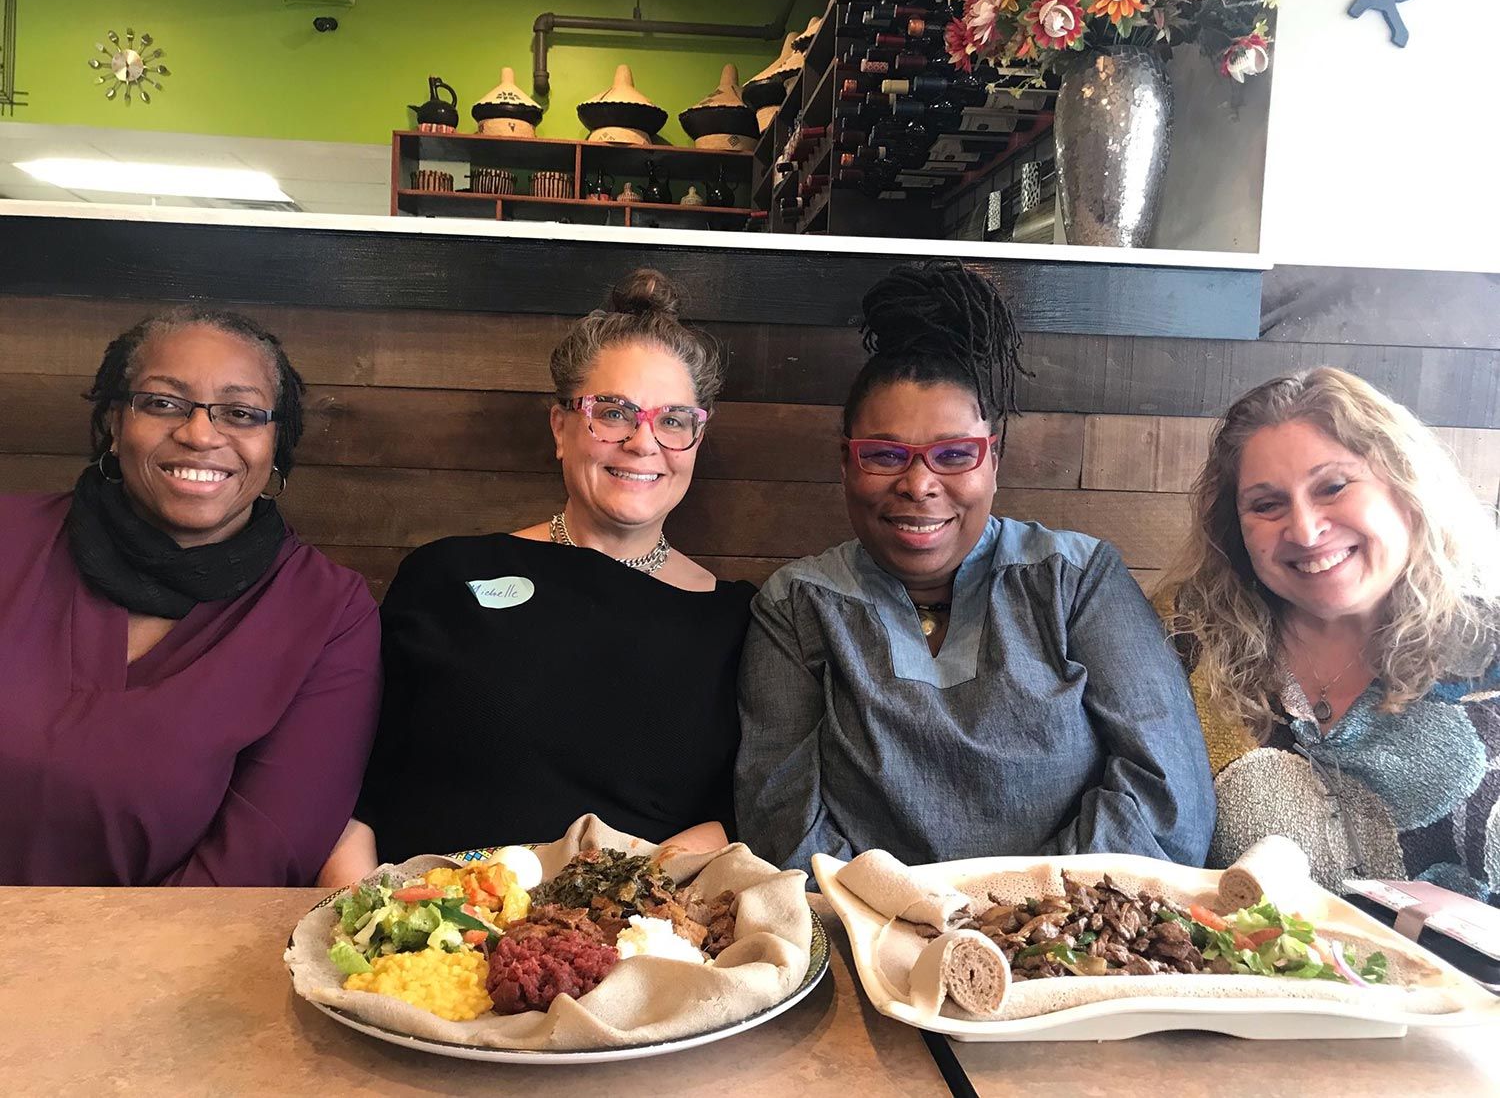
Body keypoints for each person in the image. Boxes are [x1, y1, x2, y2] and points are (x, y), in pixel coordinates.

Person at [734, 261, 1214, 876]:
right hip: (868, 939)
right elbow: (781, 824)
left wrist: (1014, 918)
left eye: (955, 454)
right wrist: (905, 926)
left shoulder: (1077, 580)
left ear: (994, 461)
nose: (919, 485)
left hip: (1071, 945)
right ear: (846, 465)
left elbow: (1168, 799)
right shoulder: (796, 607)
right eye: (883, 454)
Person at [330, 269, 754, 883]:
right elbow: (350, 786)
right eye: (613, 412)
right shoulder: (446, 574)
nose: (643, 442)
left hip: (631, 942)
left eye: (673, 420)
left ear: (697, 437)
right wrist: (358, 924)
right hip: (425, 930)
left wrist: (607, 910)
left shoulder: (737, 618)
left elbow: (737, 815)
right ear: (560, 429)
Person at [0, 310, 381, 886]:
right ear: (113, 422)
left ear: (276, 443)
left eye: (242, 413)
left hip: (159, 965)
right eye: (162, 403)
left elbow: (258, 855)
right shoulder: (10, 539)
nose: (200, 434)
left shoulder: (327, 612)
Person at [1160, 367, 1500, 902]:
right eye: (1267, 504)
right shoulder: (1184, 647)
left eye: (1334, 487)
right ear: (1235, 528)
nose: (1305, 529)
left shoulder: (1490, 648)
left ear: (1405, 487)